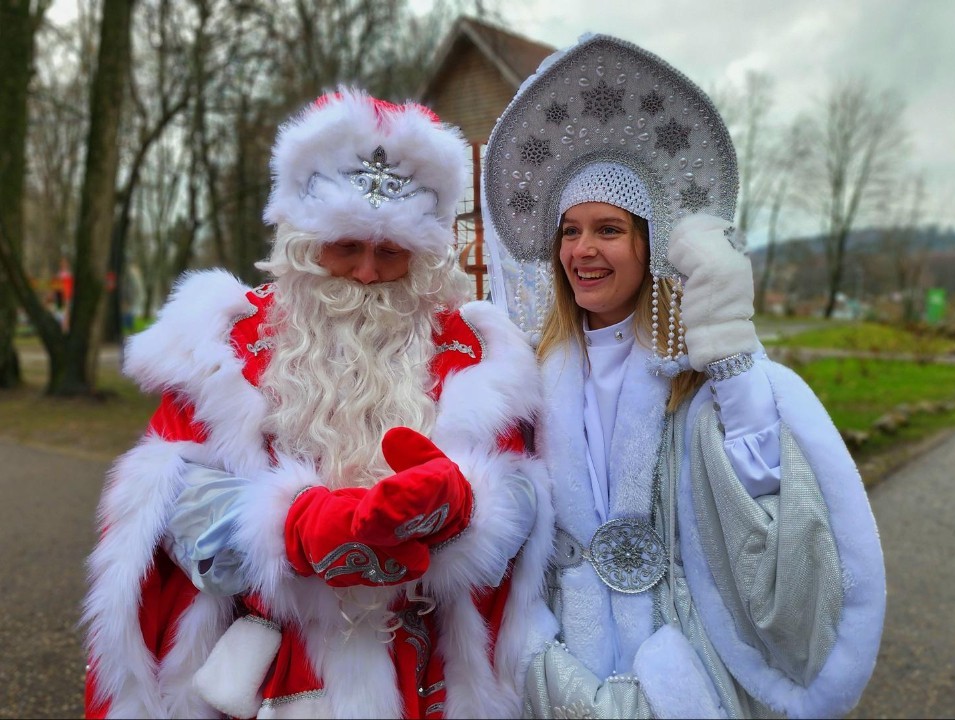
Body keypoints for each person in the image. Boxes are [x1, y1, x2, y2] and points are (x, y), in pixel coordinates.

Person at [82, 89, 554, 719]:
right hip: (268, 669)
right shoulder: (229, 344)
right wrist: (292, 527)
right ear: (305, 242)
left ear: (423, 258)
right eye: (346, 246)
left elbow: (524, 499)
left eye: (391, 253)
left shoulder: (473, 352)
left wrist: (464, 509)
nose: (367, 273)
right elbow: (165, 504)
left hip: (421, 670)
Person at [481, 34, 886, 719]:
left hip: (680, 662)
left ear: (650, 244)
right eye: (570, 231)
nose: (582, 250)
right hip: (557, 665)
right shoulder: (527, 375)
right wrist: (531, 646)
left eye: (608, 230)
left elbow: (765, 507)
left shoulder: (696, 376)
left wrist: (732, 358)